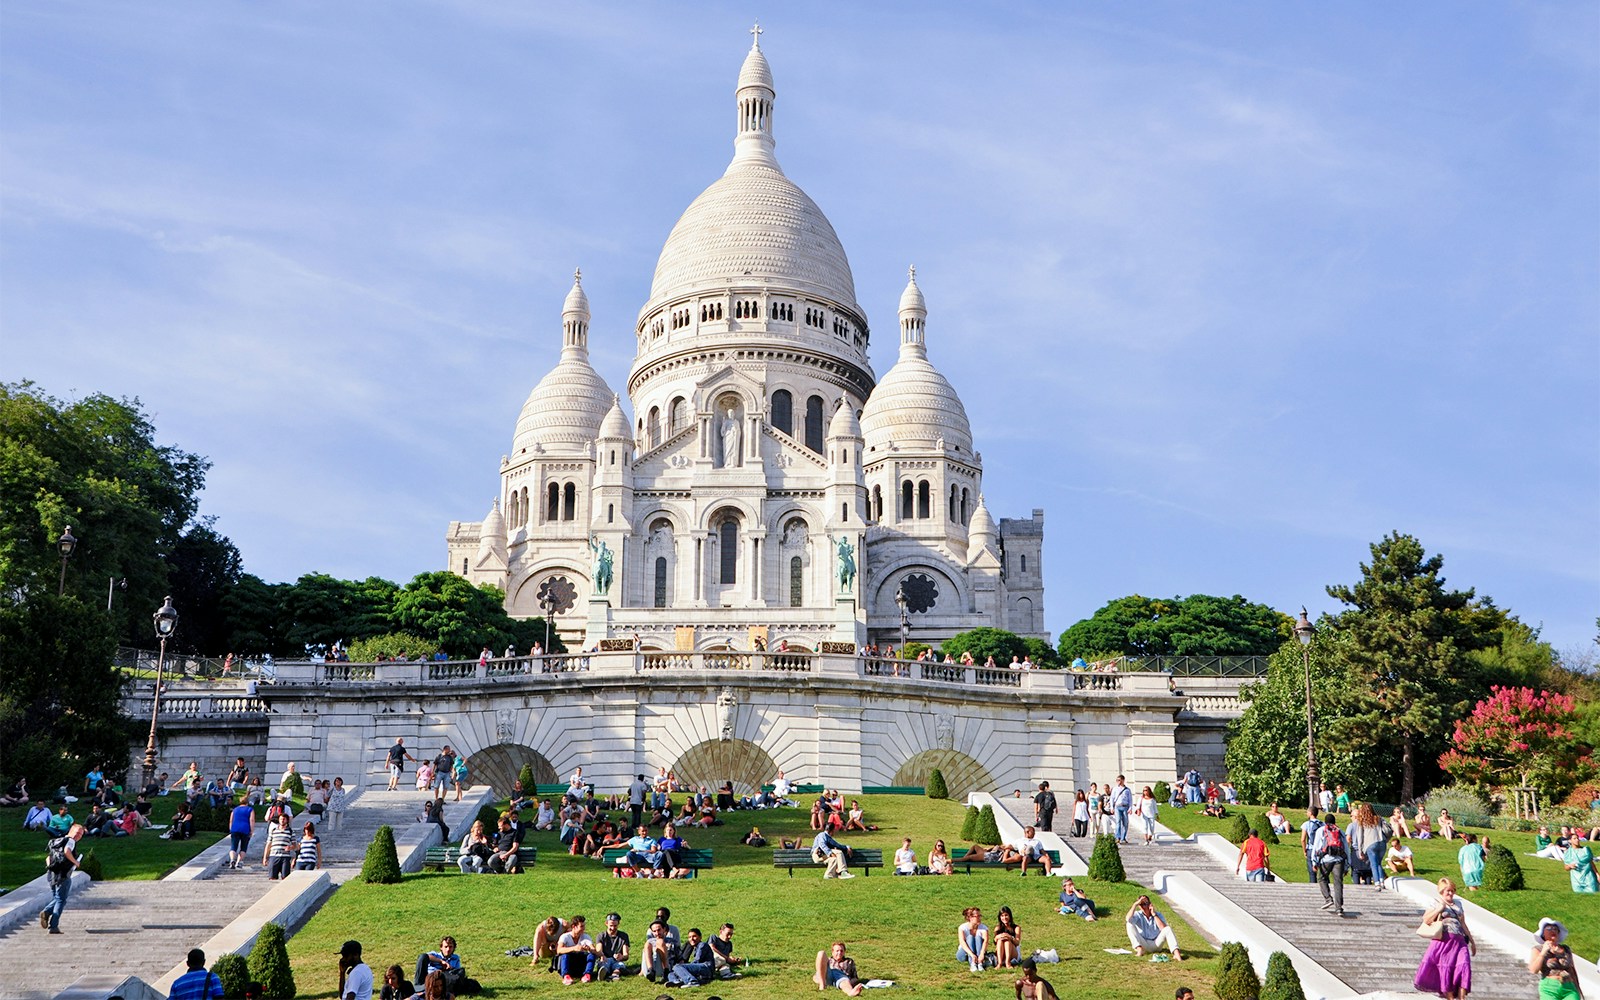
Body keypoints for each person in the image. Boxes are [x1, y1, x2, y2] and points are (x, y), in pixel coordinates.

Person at [1414, 877, 1475, 1000]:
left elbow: (1463, 924)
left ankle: (1462, 998)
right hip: (1445, 940)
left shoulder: (1458, 904)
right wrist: (1439, 909)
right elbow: (1426, 919)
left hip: (1460, 941)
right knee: (1445, 969)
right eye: (1448, 891)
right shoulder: (1436, 902)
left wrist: (1472, 942)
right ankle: (1450, 998)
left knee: (1464, 965)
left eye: (1452, 890)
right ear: (1441, 891)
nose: (1451, 893)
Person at [40, 823, 84, 933]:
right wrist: (76, 862)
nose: (78, 835)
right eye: (77, 832)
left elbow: (48, 857)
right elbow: (67, 851)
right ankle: (53, 925)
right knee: (61, 900)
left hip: (52, 874)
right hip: (63, 875)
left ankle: (47, 913)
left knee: (57, 898)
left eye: (81, 834)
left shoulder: (58, 841)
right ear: (71, 831)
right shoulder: (70, 841)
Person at [1527, 918, 1580, 1000]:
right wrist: (1543, 952)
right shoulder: (1538, 949)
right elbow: (1533, 970)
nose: (1553, 931)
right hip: (1550, 987)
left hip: (1569, 987)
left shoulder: (1565, 949)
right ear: (1543, 933)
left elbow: (1572, 969)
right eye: (1549, 928)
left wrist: (1577, 987)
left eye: (1555, 929)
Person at [1125, 895, 1183, 959]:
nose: (1144, 906)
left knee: (1168, 928)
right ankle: (1139, 950)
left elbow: (1163, 928)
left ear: (1150, 904)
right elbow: (1128, 919)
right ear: (1139, 906)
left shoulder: (1158, 914)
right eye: (1141, 904)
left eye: (1146, 903)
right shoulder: (1138, 914)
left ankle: (1177, 954)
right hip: (1144, 943)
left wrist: (1154, 914)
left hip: (1156, 943)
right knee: (1129, 924)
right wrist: (1135, 904)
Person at [1312, 812, 1347, 916]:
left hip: (1326, 860)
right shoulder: (1340, 831)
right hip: (1339, 860)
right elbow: (1346, 848)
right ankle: (1339, 908)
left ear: (1325, 822)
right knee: (1338, 883)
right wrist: (1347, 865)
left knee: (1321, 878)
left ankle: (1328, 899)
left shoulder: (1321, 831)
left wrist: (1314, 861)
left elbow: (1316, 847)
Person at [1348, 802, 1387, 889]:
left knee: (1373, 864)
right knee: (1379, 863)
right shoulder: (1378, 818)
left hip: (1370, 844)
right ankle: (1382, 881)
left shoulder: (1362, 821)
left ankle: (1377, 883)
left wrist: (1360, 850)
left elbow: (1360, 836)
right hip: (1381, 843)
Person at [556, 915, 600, 984]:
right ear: (574, 926)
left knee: (591, 955)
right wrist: (574, 948)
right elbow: (559, 950)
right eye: (581, 926)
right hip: (569, 964)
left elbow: (593, 949)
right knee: (564, 955)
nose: (583, 929)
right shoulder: (565, 937)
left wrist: (589, 949)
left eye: (584, 926)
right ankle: (566, 976)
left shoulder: (586, 937)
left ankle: (587, 975)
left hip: (580, 965)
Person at [596, 912, 630, 982]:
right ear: (606, 923)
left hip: (617, 960)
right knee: (604, 965)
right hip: (606, 959)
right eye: (611, 925)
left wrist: (622, 957)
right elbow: (599, 950)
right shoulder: (601, 936)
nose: (613, 928)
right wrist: (602, 956)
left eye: (615, 926)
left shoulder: (623, 936)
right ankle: (604, 973)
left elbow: (626, 955)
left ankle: (615, 974)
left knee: (620, 965)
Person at [956, 906, 990, 972]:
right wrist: (972, 955)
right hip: (965, 953)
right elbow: (962, 942)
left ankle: (979, 963)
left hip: (978, 951)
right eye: (977, 916)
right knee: (970, 937)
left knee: (978, 937)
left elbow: (986, 941)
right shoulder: (962, 928)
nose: (979, 918)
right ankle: (973, 963)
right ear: (970, 918)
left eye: (980, 916)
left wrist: (982, 954)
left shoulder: (983, 928)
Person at [262, 812, 295, 879]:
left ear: (287, 820)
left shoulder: (290, 831)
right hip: (274, 856)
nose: (282, 821)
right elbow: (268, 844)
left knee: (285, 878)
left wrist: (290, 847)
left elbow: (295, 845)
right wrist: (265, 857)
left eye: (284, 819)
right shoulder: (273, 831)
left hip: (285, 857)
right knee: (272, 877)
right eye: (281, 819)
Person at [1299, 807, 1323, 882]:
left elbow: (1303, 839)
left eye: (1307, 812)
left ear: (1310, 813)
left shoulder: (1306, 824)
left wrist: (1304, 850)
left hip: (1311, 848)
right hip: (1321, 849)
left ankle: (1313, 886)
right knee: (1322, 871)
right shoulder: (1322, 824)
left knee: (1312, 872)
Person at [1111, 775, 1134, 844]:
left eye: (1119, 780)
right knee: (1118, 822)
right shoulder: (1115, 789)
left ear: (1123, 780)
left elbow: (1130, 799)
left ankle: (1123, 837)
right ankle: (1117, 837)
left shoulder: (1127, 790)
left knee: (1125, 823)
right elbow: (1112, 798)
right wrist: (1112, 808)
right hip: (1117, 806)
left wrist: (1130, 808)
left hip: (1125, 807)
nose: (1118, 782)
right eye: (1117, 780)